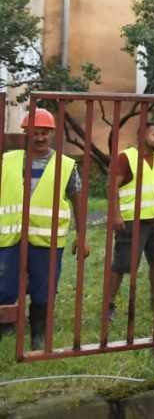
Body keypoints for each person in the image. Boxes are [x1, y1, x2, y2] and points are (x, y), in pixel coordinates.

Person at [0, 108, 89, 350]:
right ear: (26, 134)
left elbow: (77, 200)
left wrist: (82, 237)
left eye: (44, 133)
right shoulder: (8, 160)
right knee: (5, 285)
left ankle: (37, 335)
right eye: (34, 133)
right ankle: (5, 325)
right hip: (10, 236)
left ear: (51, 134)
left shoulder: (66, 165)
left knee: (44, 287)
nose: (39, 138)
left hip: (47, 239)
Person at [105, 121, 154, 322]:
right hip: (132, 222)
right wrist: (116, 214)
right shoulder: (126, 157)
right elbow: (112, 186)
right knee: (123, 265)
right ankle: (109, 305)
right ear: (142, 136)